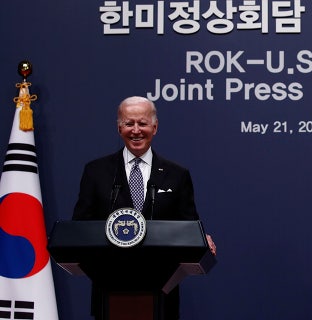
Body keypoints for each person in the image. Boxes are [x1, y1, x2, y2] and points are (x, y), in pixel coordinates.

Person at [72, 96, 216, 320]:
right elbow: (80, 228)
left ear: (155, 127)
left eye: (143, 123)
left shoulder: (177, 175)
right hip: (109, 291)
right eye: (129, 123)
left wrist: (200, 239)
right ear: (119, 127)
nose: (136, 130)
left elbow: (189, 226)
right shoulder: (96, 171)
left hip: (160, 295)